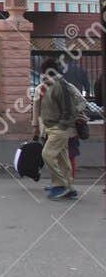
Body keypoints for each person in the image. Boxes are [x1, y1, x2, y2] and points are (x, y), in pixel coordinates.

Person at [36, 64, 81, 201]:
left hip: (58, 128)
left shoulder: (60, 86)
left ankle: (60, 185)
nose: (42, 76)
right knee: (63, 159)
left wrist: (62, 126)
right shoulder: (51, 86)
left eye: (44, 74)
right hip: (54, 128)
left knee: (47, 154)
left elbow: (68, 108)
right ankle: (69, 187)